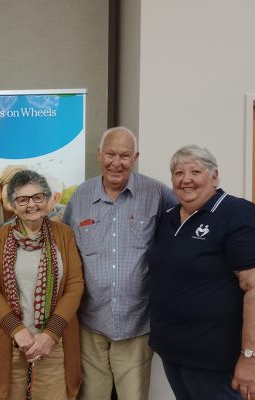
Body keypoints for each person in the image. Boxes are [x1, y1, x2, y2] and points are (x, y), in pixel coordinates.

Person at [148, 145, 255, 400]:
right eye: (178, 173)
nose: (186, 179)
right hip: (173, 354)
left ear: (214, 176)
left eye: (195, 171)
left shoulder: (240, 215)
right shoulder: (168, 218)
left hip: (215, 362)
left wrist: (251, 357)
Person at [63, 126, 176, 400]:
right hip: (91, 322)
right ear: (99, 155)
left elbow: (185, 230)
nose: (116, 162)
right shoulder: (80, 196)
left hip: (136, 322)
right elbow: (65, 247)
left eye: (124, 155)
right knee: (92, 396)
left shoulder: (158, 193)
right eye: (110, 154)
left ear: (135, 157)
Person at [0, 169, 85, 400]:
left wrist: (50, 335)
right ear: (13, 204)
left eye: (37, 197)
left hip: (53, 343)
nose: (31, 205)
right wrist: (17, 330)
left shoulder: (64, 234)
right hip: (10, 341)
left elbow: (75, 285)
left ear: (48, 200)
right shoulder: (3, 236)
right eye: (23, 199)